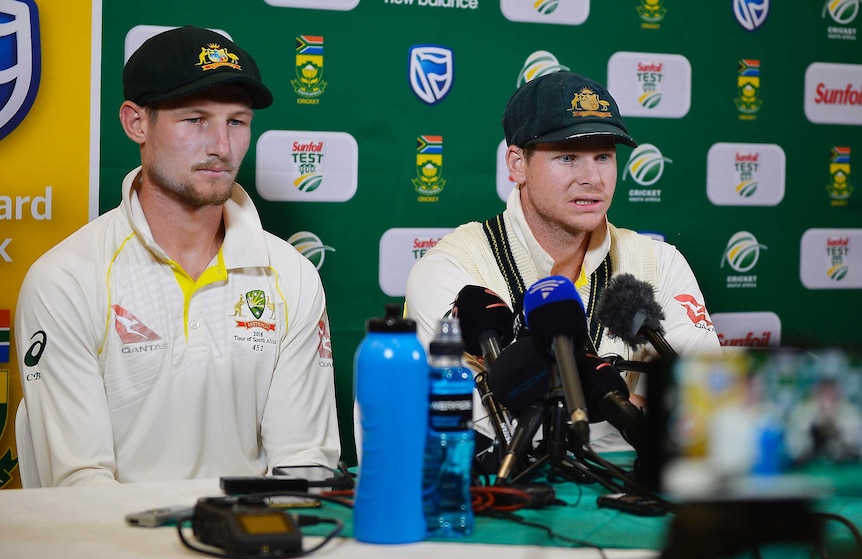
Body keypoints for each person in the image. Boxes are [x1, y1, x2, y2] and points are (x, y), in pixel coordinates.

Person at [14, 26, 341, 486]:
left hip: (252, 549)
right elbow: (79, 487)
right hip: (112, 553)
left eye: (236, 121)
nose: (221, 147)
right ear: (136, 123)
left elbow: (303, 466)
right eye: (195, 120)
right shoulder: (65, 279)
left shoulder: (293, 275)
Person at [405, 70, 722, 452]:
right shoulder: (452, 269)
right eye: (568, 157)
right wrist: (632, 411)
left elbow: (710, 413)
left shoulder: (660, 264)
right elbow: (473, 431)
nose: (592, 178)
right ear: (517, 164)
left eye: (603, 156)